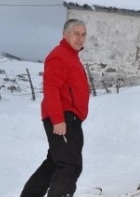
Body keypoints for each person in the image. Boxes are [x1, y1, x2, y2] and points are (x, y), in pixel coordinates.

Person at [20, 19, 90, 197]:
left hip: (70, 117)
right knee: (69, 165)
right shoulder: (59, 55)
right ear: (65, 34)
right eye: (76, 33)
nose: (80, 38)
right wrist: (58, 119)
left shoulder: (71, 56)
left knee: (54, 162)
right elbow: (51, 88)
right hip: (63, 117)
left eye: (83, 34)